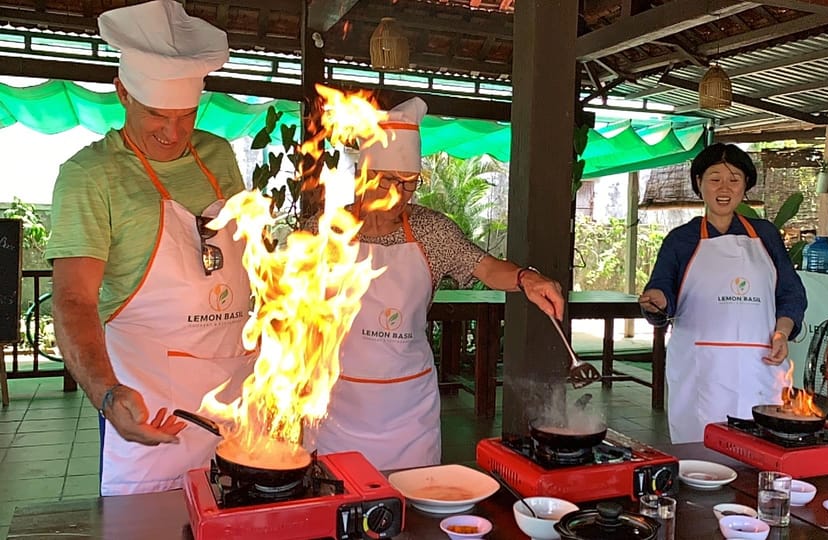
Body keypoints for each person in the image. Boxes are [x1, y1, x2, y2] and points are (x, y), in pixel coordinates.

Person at [46, 0, 254, 495]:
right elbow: (74, 300)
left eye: (186, 115)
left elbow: (243, 260)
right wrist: (106, 393)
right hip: (151, 401)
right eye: (157, 115)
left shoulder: (218, 155)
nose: (173, 132)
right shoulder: (90, 175)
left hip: (237, 392)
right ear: (122, 93)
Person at [302, 97, 566, 470]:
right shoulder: (324, 232)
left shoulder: (430, 230)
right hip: (336, 412)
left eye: (411, 183)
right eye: (389, 181)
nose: (401, 195)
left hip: (407, 415)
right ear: (363, 176)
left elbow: (487, 268)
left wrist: (526, 279)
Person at [638, 143, 807, 444]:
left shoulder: (766, 235)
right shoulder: (681, 240)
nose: (724, 187)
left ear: (746, 187)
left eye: (734, 179)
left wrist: (781, 333)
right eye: (715, 178)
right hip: (701, 370)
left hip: (761, 365)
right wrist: (657, 300)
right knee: (702, 454)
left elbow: (791, 294)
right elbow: (662, 292)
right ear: (699, 184)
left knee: (762, 448)